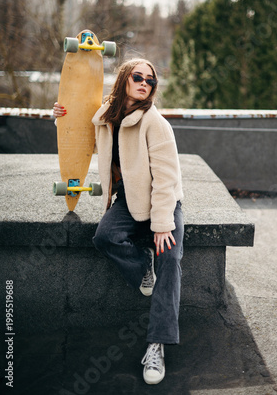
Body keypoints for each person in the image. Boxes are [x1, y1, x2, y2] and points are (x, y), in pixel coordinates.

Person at [53, 58, 184, 385]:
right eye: (138, 77)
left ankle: (156, 344)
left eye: (151, 81)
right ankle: (143, 268)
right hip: (129, 198)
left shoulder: (155, 123)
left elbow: (167, 179)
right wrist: (60, 118)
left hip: (163, 200)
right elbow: (80, 140)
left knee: (170, 257)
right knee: (104, 237)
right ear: (125, 78)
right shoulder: (106, 117)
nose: (145, 84)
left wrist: (162, 223)